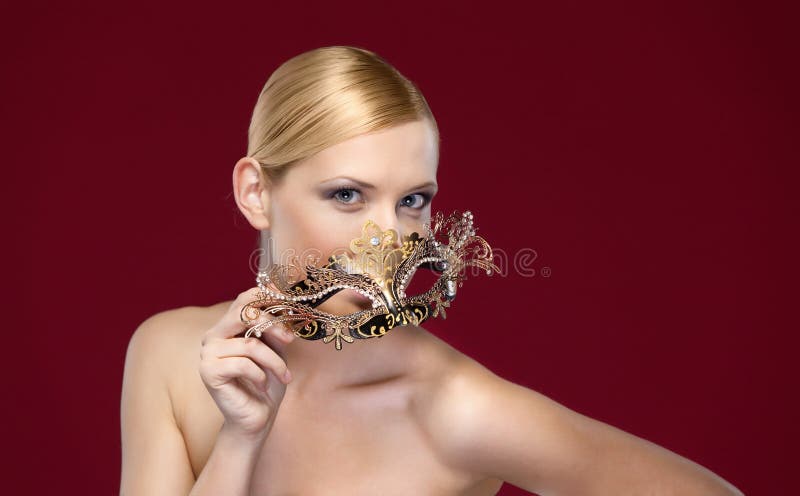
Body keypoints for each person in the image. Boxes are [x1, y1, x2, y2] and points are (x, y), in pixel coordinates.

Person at [119, 45, 744, 496]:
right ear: (255, 193)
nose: (390, 239)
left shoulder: (456, 409)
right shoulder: (169, 355)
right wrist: (239, 438)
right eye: (347, 195)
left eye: (412, 200)